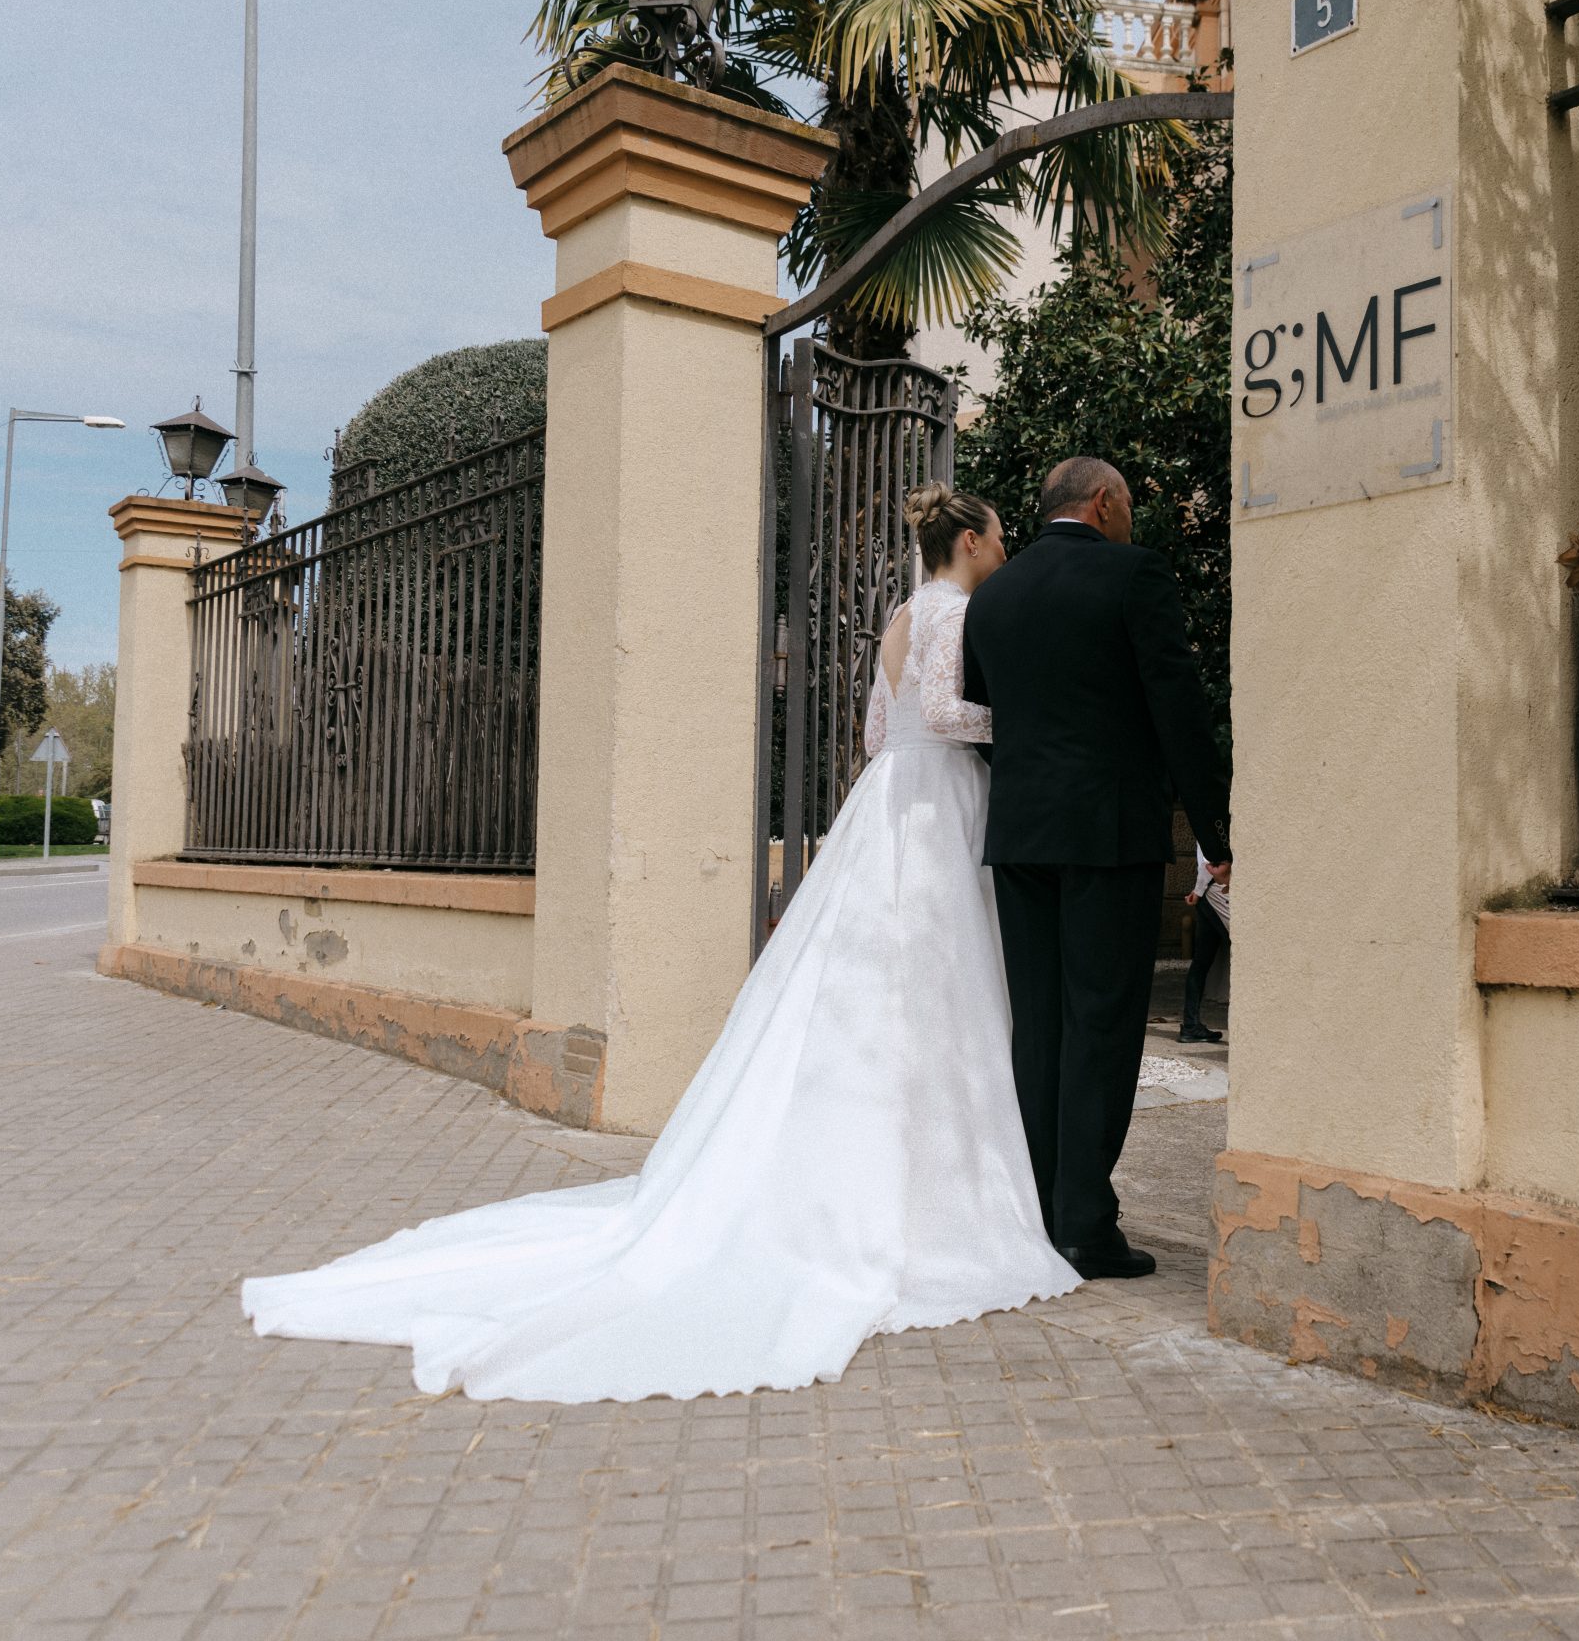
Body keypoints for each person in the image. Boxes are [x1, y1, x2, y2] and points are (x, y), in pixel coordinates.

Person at [241, 485, 1078, 1403]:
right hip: (938, 800)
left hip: (886, 797)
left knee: (868, 990)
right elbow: (947, 714)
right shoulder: (957, 610)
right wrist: (1020, 726)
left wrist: (926, 738)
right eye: (998, 536)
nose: (1004, 549)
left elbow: (879, 729)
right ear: (967, 540)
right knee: (936, 988)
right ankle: (933, 1195)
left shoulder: (897, 613)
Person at [963, 457, 1231, 1281]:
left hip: (1020, 834)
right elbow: (1178, 705)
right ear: (1105, 502)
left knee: (1039, 1024)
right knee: (1104, 1024)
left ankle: (1039, 1210)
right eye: (1128, 506)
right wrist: (1219, 829)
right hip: (1108, 831)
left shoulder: (994, 594)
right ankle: (1084, 1221)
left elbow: (983, 702)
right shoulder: (1133, 573)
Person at [1180, 844, 1229, 1044]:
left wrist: (1199, 891)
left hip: (1208, 891)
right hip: (1216, 890)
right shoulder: (1214, 819)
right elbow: (1209, 861)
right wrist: (1199, 890)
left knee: (1201, 963)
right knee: (1247, 953)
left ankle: (1190, 1024)